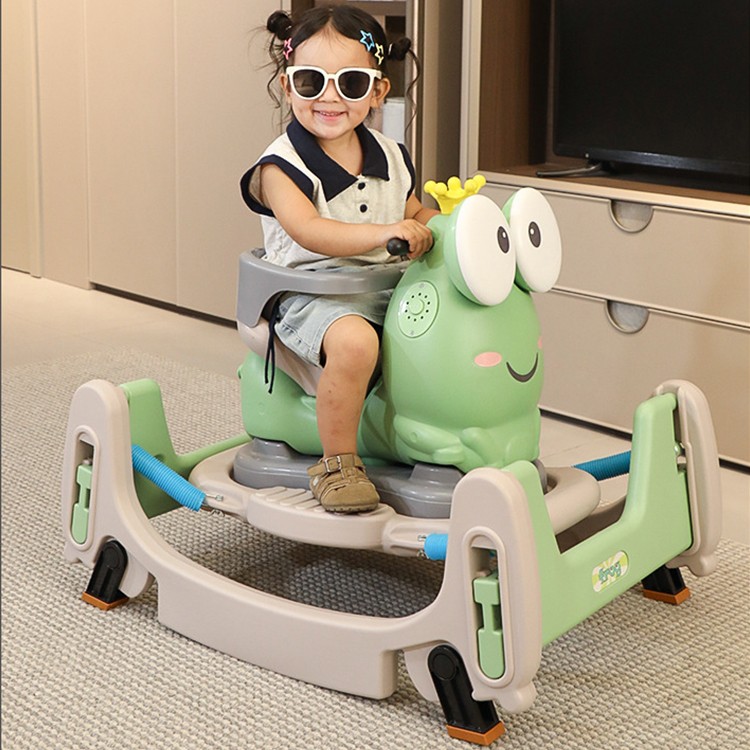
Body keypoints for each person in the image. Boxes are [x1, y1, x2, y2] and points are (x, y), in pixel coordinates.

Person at [241, 4, 438, 514]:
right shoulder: (281, 166)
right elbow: (309, 230)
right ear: (288, 87)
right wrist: (385, 233)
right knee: (355, 343)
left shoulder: (391, 155)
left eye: (350, 83)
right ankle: (338, 465)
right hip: (310, 296)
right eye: (311, 82)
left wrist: (448, 224)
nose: (329, 97)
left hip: (384, 289)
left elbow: (416, 212)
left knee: (446, 331)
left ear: (377, 91)